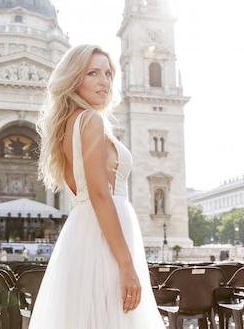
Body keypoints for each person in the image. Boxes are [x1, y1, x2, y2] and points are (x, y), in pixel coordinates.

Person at [30, 44, 165, 328]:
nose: (104, 81)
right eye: (93, 73)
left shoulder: (68, 124)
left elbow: (80, 191)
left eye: (108, 73)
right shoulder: (90, 120)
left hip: (85, 232)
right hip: (107, 235)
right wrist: (127, 265)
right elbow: (100, 194)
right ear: (74, 78)